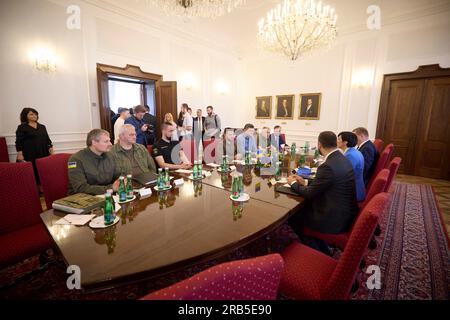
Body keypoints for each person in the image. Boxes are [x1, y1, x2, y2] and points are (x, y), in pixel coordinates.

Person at [287, 131, 358, 255]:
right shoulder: (341, 158)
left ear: (319, 145)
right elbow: (328, 183)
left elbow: (309, 194)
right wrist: (305, 182)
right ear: (335, 143)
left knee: (294, 215)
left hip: (332, 218)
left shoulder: (328, 166)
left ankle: (318, 250)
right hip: (345, 211)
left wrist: (293, 183)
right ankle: (321, 245)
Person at [68, 129, 121, 195]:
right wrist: (111, 188)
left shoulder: (110, 156)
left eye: (109, 141)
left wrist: (121, 181)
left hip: (106, 195)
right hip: (83, 199)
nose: (110, 144)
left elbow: (118, 175)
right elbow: (80, 188)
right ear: (94, 142)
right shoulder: (75, 159)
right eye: (106, 141)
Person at [15, 107, 54, 184]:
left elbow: (47, 139)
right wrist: (20, 154)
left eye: (35, 114)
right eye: (31, 114)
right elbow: (18, 141)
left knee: (43, 170)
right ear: (25, 116)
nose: (34, 116)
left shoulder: (42, 126)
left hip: (43, 152)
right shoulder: (22, 127)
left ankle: (43, 187)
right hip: (29, 153)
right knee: (32, 171)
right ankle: (34, 189)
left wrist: (51, 148)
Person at [338, 131, 366, 202]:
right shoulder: (354, 151)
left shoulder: (350, 155)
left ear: (345, 142)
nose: (336, 141)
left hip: (354, 192)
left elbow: (344, 175)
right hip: (356, 187)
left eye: (338, 139)